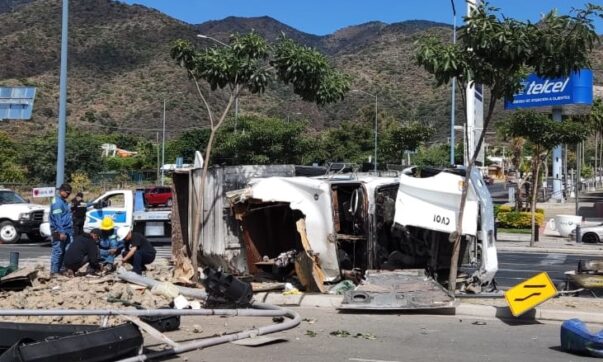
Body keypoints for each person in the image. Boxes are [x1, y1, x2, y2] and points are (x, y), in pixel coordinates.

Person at [49, 183, 73, 276]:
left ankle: (62, 269)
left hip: (67, 229)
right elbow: (57, 218)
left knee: (66, 251)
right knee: (58, 251)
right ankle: (54, 271)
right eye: (67, 193)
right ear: (61, 191)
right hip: (59, 231)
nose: (68, 195)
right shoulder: (57, 202)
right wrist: (61, 231)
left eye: (70, 193)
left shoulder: (64, 201)